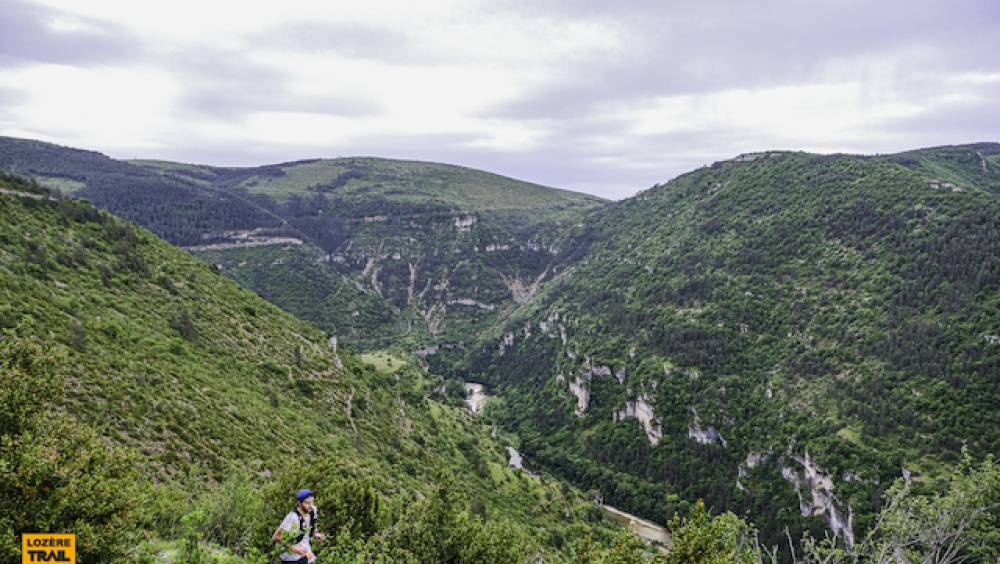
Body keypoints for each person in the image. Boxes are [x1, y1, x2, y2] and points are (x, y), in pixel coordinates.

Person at [273, 488, 327, 563]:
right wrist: (293, 548)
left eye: (312, 502)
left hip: (306, 554)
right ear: (299, 503)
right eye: (307, 503)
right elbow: (276, 537)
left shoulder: (313, 510)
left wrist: (316, 534)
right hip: (291, 558)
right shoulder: (293, 517)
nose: (311, 505)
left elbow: (310, 530)